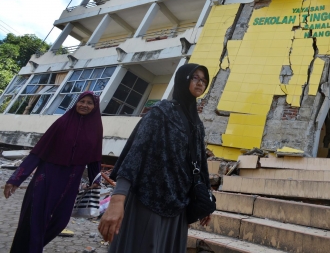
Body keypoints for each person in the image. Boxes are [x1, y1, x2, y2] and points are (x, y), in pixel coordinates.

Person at [99, 63, 212, 253]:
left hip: (178, 203)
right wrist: (118, 199)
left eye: (204, 80)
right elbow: (136, 152)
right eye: (195, 78)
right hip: (149, 198)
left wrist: (205, 196)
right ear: (183, 80)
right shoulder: (162, 112)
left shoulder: (196, 124)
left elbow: (199, 163)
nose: (200, 83)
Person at [4, 91, 103, 253]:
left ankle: (29, 247)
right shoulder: (61, 123)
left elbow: (95, 156)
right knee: (34, 220)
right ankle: (31, 249)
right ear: (76, 102)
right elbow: (38, 152)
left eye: (89, 103)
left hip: (71, 183)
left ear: (95, 107)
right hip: (46, 178)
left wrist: (96, 180)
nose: (84, 105)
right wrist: (16, 179)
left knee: (60, 221)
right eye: (82, 101)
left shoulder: (96, 128)